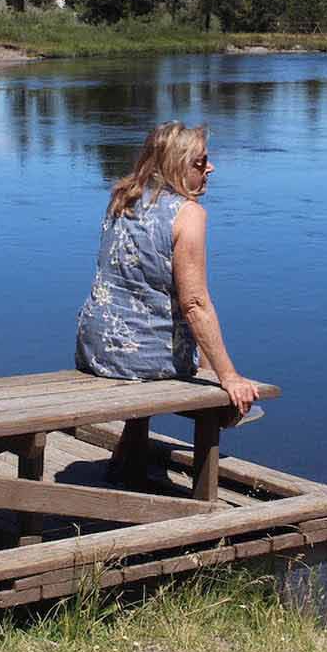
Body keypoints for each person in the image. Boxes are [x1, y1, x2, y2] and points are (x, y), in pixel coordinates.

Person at [75, 121, 260, 480]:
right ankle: (221, 416)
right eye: (200, 162)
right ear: (176, 165)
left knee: (160, 317)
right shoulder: (188, 215)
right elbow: (195, 304)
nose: (211, 168)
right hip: (140, 357)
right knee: (197, 328)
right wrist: (229, 376)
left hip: (95, 347)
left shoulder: (122, 197)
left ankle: (130, 454)